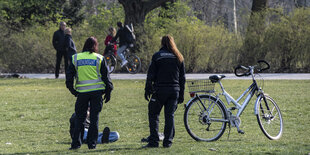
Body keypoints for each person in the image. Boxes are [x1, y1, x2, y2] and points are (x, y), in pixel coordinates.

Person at [66, 37, 113, 150]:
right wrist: (108, 91)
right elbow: (106, 77)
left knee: (79, 119)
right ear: (95, 46)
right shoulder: (99, 58)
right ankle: (92, 145)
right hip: (97, 93)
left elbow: (69, 78)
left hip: (82, 93)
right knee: (94, 119)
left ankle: (76, 144)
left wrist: (73, 90)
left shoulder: (76, 58)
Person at [144, 35, 186, 148]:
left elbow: (151, 75)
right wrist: (181, 95)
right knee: (169, 116)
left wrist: (147, 89)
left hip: (160, 91)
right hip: (174, 91)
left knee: (153, 114)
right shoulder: (179, 57)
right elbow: (182, 78)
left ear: (162, 43)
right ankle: (168, 142)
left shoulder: (157, 56)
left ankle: (153, 141)